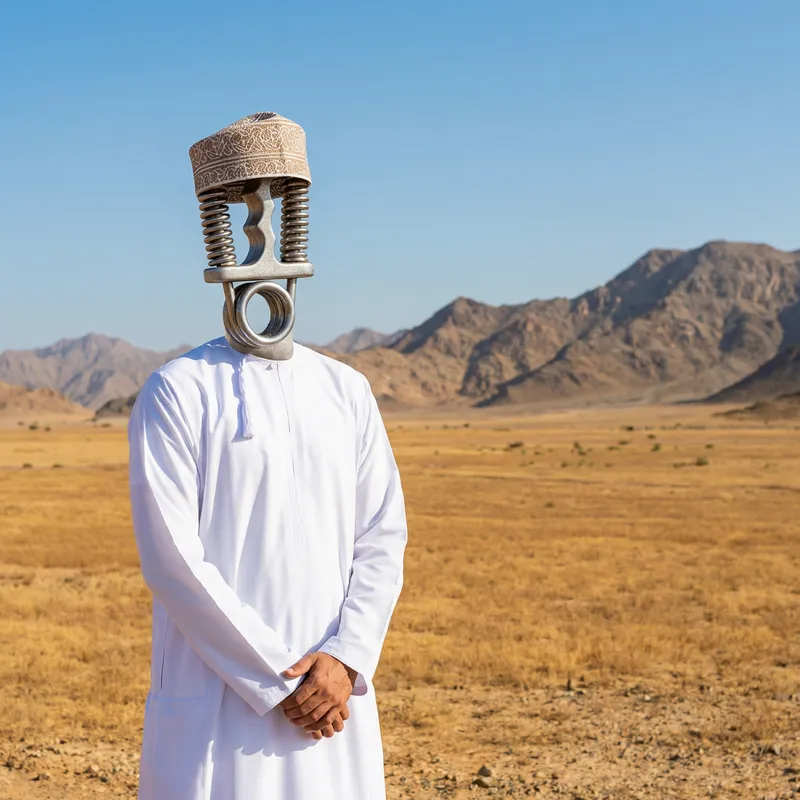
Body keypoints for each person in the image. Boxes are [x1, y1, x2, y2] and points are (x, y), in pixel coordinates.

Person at [128, 336, 408, 799]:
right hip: (218, 704)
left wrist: (346, 657)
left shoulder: (346, 389)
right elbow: (171, 557)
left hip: (334, 698)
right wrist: (281, 679)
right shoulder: (178, 389)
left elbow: (382, 533)